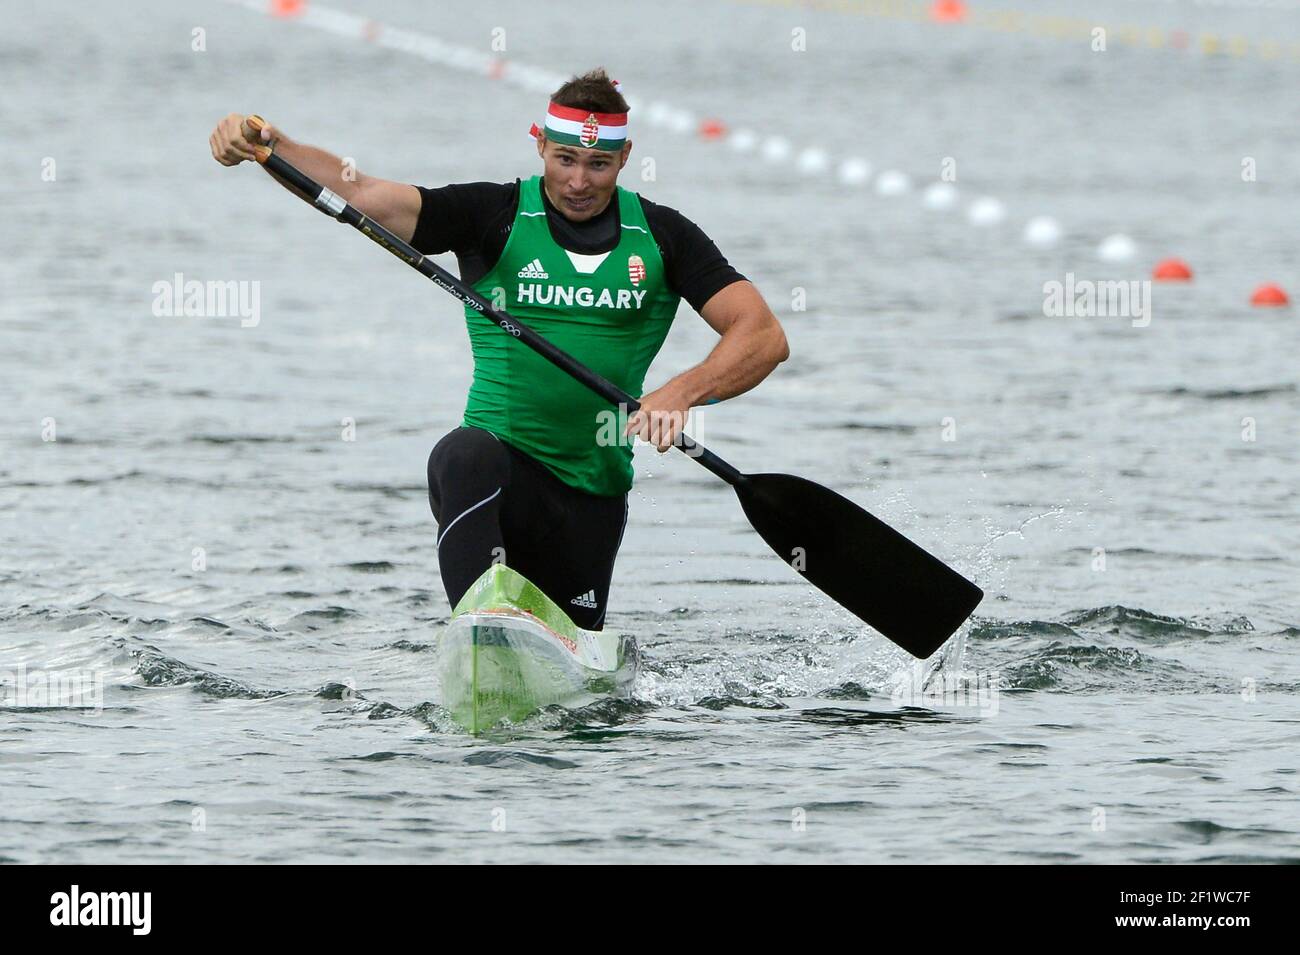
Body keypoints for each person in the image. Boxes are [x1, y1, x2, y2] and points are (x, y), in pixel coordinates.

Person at [209, 67, 789, 630]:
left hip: (591, 494)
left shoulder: (663, 236)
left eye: (598, 164)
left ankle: (542, 640)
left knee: (577, 673)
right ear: (539, 146)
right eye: (565, 159)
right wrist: (270, 145)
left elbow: (762, 335)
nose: (579, 181)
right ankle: (482, 627)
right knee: (459, 454)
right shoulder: (492, 216)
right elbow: (363, 195)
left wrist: (682, 393)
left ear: (626, 156)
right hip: (498, 477)